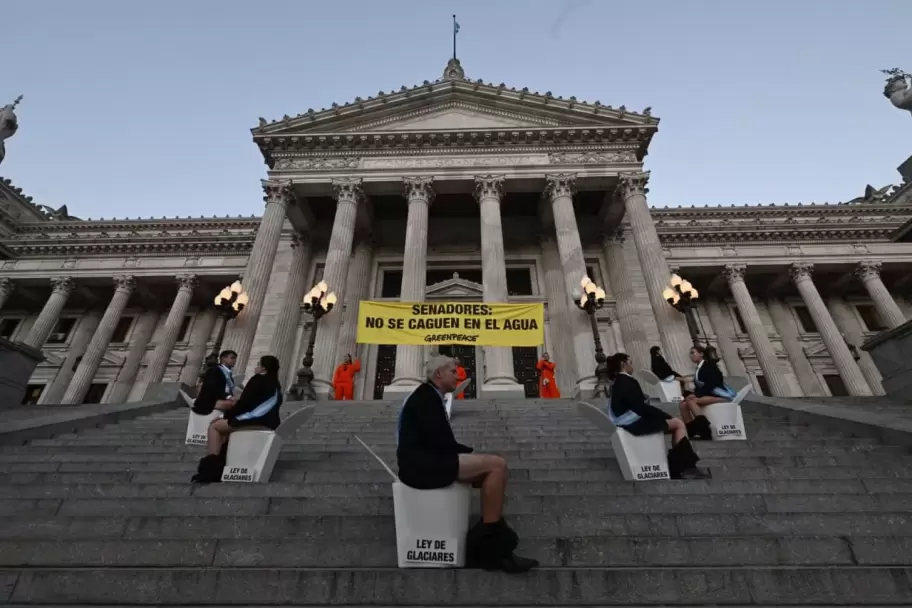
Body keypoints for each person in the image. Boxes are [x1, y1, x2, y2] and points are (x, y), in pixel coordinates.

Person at [396, 355, 538, 573]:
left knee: (491, 469)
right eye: (453, 371)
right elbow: (442, 442)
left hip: (425, 461)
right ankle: (492, 547)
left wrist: (475, 456)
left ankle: (489, 541)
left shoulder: (429, 395)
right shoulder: (425, 397)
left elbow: (439, 441)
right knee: (496, 466)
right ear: (438, 374)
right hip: (421, 466)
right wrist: (477, 455)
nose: (458, 375)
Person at [606, 352, 710, 479]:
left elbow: (630, 404)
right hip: (634, 424)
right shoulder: (629, 381)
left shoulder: (617, 382)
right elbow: (640, 408)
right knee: (678, 424)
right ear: (623, 364)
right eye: (630, 363)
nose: (632, 366)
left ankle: (680, 466)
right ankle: (685, 468)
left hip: (625, 422)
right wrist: (665, 415)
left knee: (675, 424)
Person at [191, 355, 284, 483]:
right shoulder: (276, 385)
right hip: (269, 423)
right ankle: (224, 459)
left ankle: (211, 468)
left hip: (253, 421)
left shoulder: (257, 380)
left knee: (214, 426)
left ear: (263, 368)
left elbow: (244, 405)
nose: (256, 368)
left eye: (258, 365)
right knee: (225, 428)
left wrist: (224, 416)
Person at [679, 345, 734, 439]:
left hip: (719, 394)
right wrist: (690, 394)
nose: (691, 356)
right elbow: (700, 386)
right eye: (690, 354)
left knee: (692, 401)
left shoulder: (710, 366)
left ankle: (705, 430)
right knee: (683, 405)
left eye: (693, 353)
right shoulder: (698, 368)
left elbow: (712, 384)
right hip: (707, 394)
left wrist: (695, 395)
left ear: (701, 354)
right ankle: (692, 431)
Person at [192, 350, 237, 415]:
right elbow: (212, 388)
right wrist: (229, 397)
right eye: (232, 358)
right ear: (223, 358)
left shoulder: (229, 373)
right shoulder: (214, 370)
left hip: (222, 398)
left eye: (235, 358)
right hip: (212, 399)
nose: (234, 360)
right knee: (234, 404)